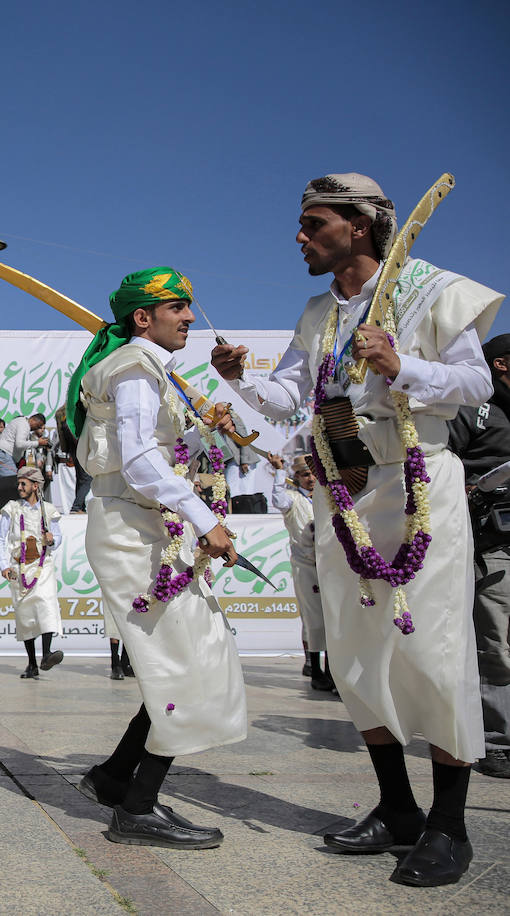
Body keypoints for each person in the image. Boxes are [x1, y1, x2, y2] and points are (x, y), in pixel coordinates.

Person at [211, 173, 503, 885]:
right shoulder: (318, 313)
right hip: (344, 493)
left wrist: (402, 365)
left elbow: (477, 384)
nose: (300, 237)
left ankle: (450, 826)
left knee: (434, 654)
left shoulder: (435, 290)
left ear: (361, 225)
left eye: (314, 223)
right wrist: (238, 379)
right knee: (355, 655)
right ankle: (397, 810)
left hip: (416, 485)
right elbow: (288, 396)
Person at [70, 266, 245, 850]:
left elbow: (151, 453)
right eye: (177, 308)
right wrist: (207, 521)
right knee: (182, 663)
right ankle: (138, 809)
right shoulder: (134, 368)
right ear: (143, 317)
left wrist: (200, 436)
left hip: (140, 523)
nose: (190, 317)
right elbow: (142, 463)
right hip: (130, 528)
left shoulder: (149, 371)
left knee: (179, 660)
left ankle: (115, 778)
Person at [446, 332, 510, 780]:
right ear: (502, 364)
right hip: (492, 542)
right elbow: (439, 468)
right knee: (497, 643)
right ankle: (497, 742)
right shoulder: (474, 405)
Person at [0, 466, 65, 678]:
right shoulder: (12, 508)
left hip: (43, 566)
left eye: (23, 483)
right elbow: (0, 539)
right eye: (18, 483)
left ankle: (47, 653)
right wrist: (4, 565)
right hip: (18, 567)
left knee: (46, 603)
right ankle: (32, 663)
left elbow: (58, 539)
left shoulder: (48, 510)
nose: (19, 487)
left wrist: (53, 540)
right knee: (25, 616)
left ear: (35, 486)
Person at [269, 453, 331, 691]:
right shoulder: (294, 500)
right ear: (297, 478)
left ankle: (330, 672)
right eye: (305, 474)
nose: (311, 479)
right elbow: (277, 498)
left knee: (330, 617)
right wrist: (278, 472)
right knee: (314, 618)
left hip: (329, 565)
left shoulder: (326, 498)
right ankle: (316, 670)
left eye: (314, 473)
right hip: (305, 565)